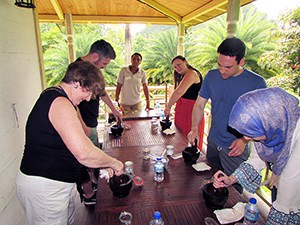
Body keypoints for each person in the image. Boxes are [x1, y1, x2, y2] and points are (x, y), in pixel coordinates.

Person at [16, 61, 124, 225]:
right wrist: (113, 163)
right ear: (76, 83)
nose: (88, 98)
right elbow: (84, 153)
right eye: (87, 91)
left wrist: (103, 163)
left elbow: (83, 143)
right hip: (45, 187)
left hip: (56, 183)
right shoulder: (60, 103)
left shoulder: (58, 97)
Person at [187, 37, 267, 192]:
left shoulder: (257, 83)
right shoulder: (211, 76)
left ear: (241, 62)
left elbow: (263, 121)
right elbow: (199, 105)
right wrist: (194, 128)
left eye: (228, 67)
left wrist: (244, 140)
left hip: (235, 146)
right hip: (213, 140)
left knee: (234, 189)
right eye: (219, 65)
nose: (222, 70)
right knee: (211, 178)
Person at [213, 87, 300, 225]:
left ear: (271, 122)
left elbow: (287, 198)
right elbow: (257, 159)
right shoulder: (272, 128)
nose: (246, 138)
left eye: (251, 133)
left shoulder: (297, 140)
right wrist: (231, 179)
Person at [76, 40, 123, 204]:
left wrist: (115, 110)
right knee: (85, 160)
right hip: (83, 125)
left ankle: (93, 187)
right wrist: (83, 127)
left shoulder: (92, 70)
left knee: (92, 159)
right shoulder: (77, 69)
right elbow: (70, 102)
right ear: (95, 56)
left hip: (91, 123)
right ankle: (88, 195)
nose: (104, 67)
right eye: (103, 63)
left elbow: (102, 93)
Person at [164, 55, 205, 150]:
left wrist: (168, 106)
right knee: (180, 137)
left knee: (189, 140)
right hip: (183, 109)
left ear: (186, 62)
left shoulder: (192, 73)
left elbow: (178, 92)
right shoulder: (183, 75)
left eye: (179, 64)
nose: (177, 68)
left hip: (192, 111)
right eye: (175, 67)